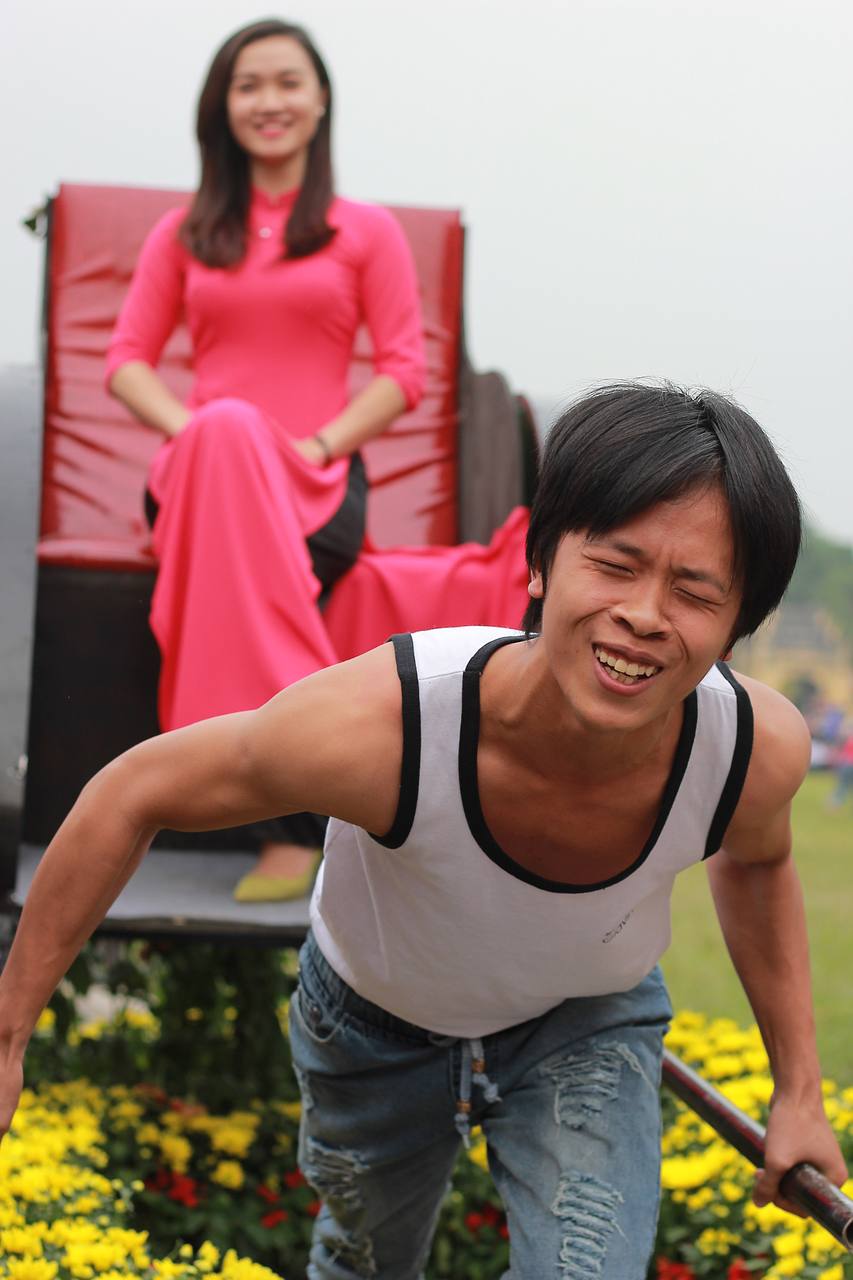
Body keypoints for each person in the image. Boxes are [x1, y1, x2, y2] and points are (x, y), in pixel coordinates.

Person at [1, 384, 845, 1278]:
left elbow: (757, 864)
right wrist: (9, 1035)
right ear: (539, 563)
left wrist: (798, 1090)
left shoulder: (750, 748)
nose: (642, 614)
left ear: (734, 630)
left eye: (693, 592)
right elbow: (132, 792)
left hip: (585, 1017)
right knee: (368, 1264)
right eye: (615, 565)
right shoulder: (388, 726)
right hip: (375, 1025)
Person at [106, 19, 427, 900]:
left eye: (287, 82)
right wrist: (197, 434)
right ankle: (299, 808)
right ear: (223, 107)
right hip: (199, 476)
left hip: (317, 482)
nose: (269, 101)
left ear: (320, 101)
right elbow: (125, 360)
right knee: (226, 428)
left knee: (238, 432)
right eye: (248, 85)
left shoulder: (365, 232)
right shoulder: (182, 234)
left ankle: (242, 792)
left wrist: (316, 445)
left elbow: (404, 372)